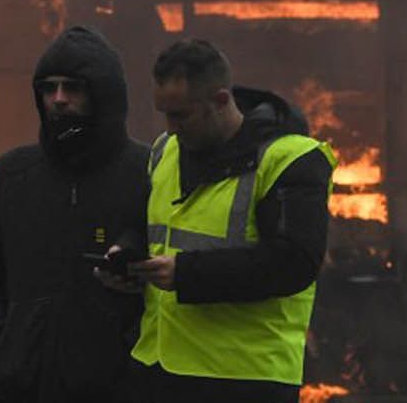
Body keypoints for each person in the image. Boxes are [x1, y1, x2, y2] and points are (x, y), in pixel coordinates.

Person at [113, 39, 335, 403]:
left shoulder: (289, 160)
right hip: (159, 369)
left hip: (246, 378)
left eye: (181, 115)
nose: (170, 127)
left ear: (220, 100)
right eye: (164, 113)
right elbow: (150, 224)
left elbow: (294, 263)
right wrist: (127, 253)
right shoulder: (165, 150)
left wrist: (186, 274)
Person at [0, 26, 149, 402]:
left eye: (73, 87)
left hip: (119, 388)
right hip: (19, 385)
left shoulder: (149, 171)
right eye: (49, 88)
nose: (59, 99)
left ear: (103, 94)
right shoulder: (11, 173)